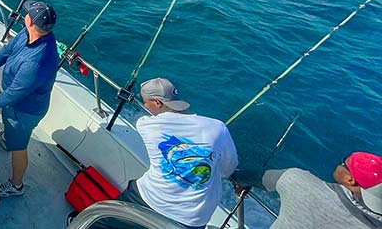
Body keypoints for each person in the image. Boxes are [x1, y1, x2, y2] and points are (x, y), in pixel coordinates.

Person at [96, 78, 238, 229]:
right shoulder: (218, 128)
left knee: (100, 222)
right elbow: (228, 169)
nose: (145, 106)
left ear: (158, 103)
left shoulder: (146, 125)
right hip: (193, 218)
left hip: (149, 199)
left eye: (146, 102)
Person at [0, 0, 59, 197]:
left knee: (19, 147)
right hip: (15, 104)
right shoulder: (27, 34)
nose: (24, 15)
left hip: (24, 110)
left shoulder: (38, 62)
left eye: (27, 14)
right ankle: (9, 136)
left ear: (30, 22)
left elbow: (16, 93)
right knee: (12, 134)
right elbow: (6, 51)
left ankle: (15, 185)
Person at [231, 151, 382, 228]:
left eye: (343, 163)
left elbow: (250, 177)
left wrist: (238, 180)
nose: (339, 164)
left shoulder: (298, 181)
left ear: (350, 179)